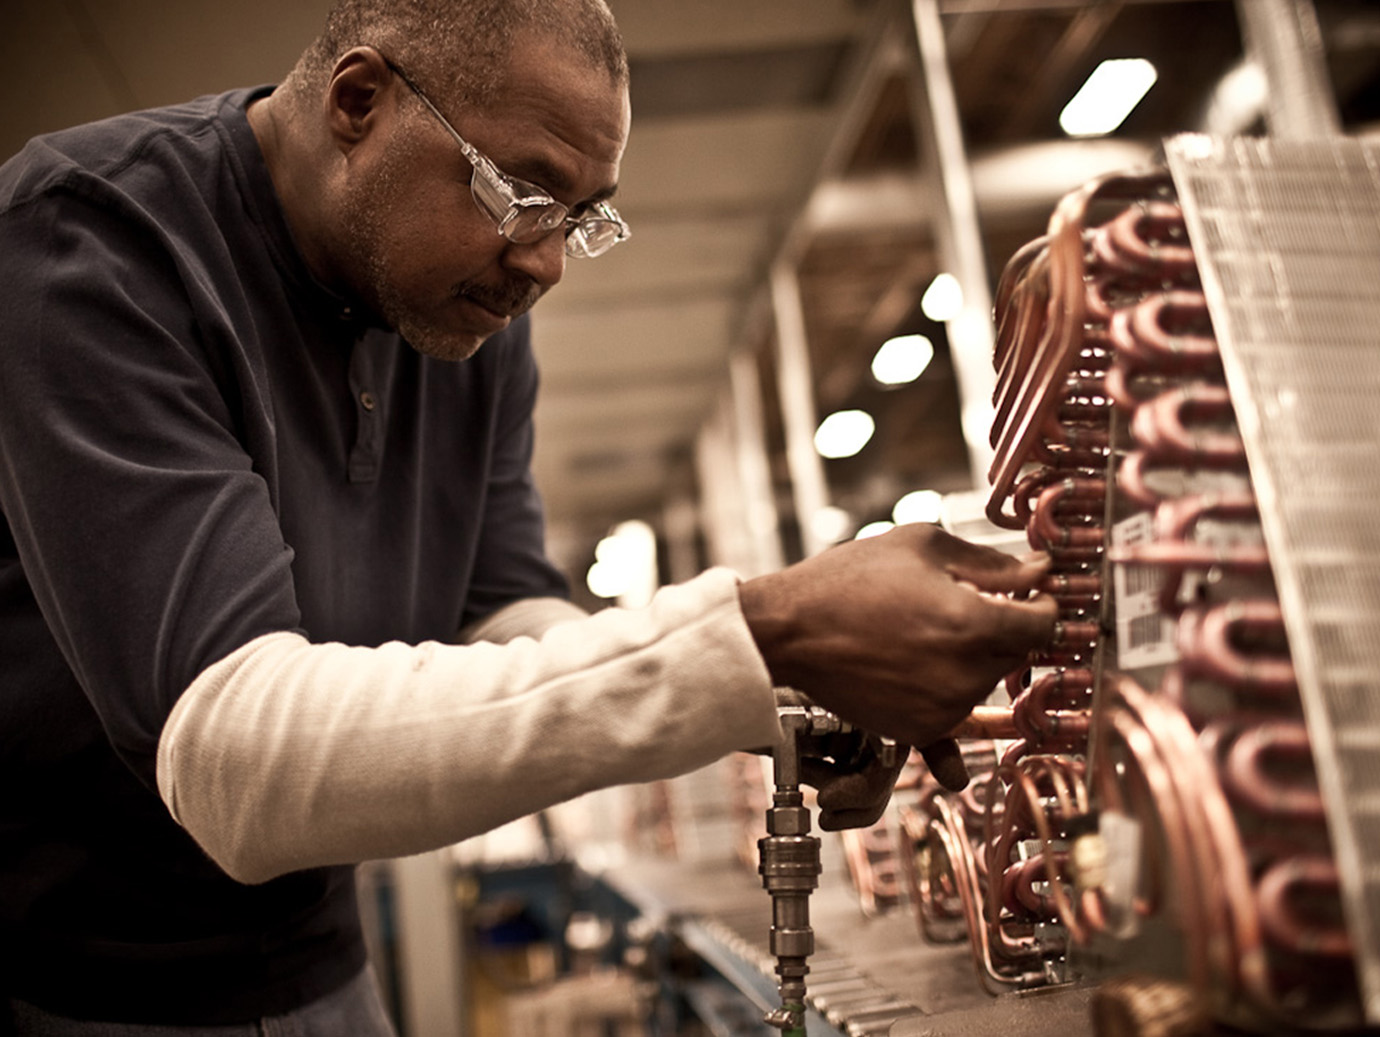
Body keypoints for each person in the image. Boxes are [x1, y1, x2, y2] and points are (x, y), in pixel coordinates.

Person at [0, 0, 1056, 1032]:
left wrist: (779, 687)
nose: (546, 261)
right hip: (83, 984)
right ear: (357, 101)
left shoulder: (460, 315)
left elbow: (502, 608)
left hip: (319, 951)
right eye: (521, 192)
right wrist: (758, 625)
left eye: (583, 217)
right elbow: (238, 764)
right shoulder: (91, 245)